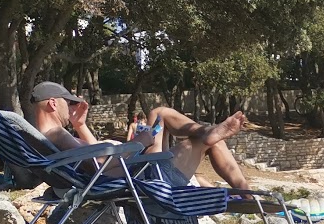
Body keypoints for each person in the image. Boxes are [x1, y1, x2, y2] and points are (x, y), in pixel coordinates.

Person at [28, 82, 252, 191]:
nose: (70, 107)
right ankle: (246, 193)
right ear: (53, 104)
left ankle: (207, 131)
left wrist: (80, 125)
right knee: (205, 141)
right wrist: (139, 143)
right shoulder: (56, 134)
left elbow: (93, 158)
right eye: (67, 103)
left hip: (131, 170)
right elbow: (100, 164)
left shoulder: (47, 137)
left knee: (159, 114)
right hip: (142, 176)